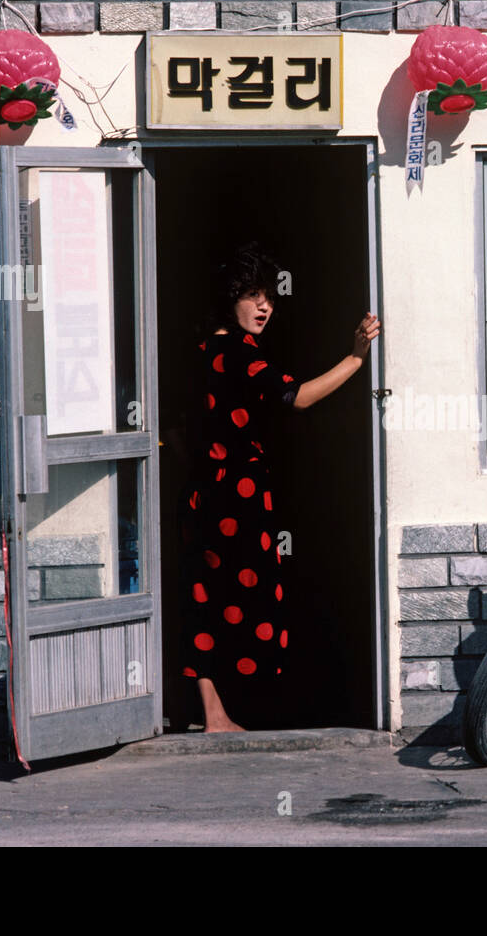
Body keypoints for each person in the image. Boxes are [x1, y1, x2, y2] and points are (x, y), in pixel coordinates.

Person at [175, 242, 380, 732]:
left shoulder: (205, 350)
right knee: (251, 602)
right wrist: (355, 358)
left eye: (268, 295)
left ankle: (215, 714)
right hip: (236, 500)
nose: (264, 305)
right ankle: (237, 711)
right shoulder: (239, 355)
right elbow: (298, 396)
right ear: (230, 299)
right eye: (251, 295)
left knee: (207, 597)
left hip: (207, 494)